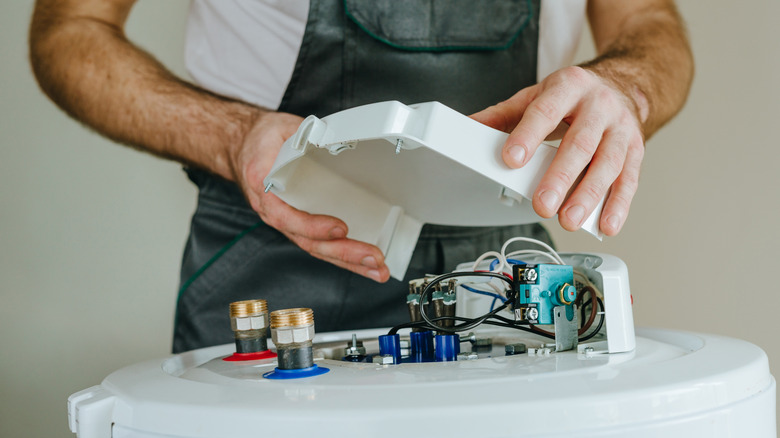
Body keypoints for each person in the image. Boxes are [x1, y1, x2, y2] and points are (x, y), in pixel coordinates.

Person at [29, 0, 693, 352]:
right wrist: (232, 135)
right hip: (271, 253)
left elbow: (648, 21)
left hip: (506, 266)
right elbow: (70, 29)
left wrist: (627, 89)